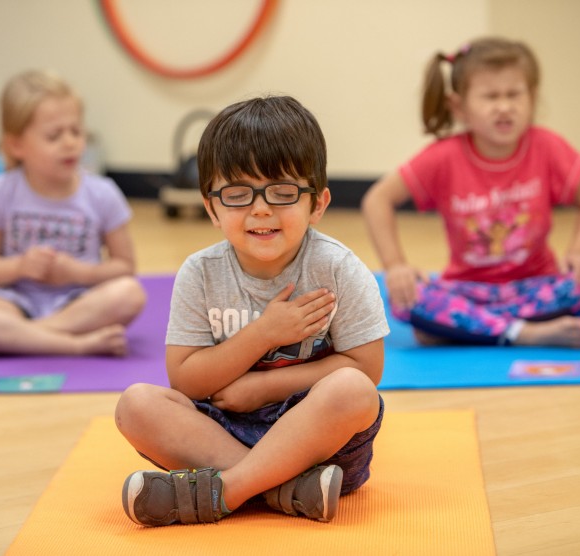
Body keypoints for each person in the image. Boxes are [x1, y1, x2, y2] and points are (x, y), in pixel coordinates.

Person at [115, 96, 389, 527]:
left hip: (320, 443)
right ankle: (286, 491)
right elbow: (185, 378)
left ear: (316, 204)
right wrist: (263, 334)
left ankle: (229, 489)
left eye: (282, 192)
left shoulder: (337, 267)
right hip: (223, 432)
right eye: (238, 194)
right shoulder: (200, 273)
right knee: (135, 405)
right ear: (211, 207)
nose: (261, 208)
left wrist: (264, 388)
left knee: (354, 391)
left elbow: (367, 367)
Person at [362, 37, 580, 349]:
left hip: (536, 286)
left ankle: (464, 327)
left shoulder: (548, 146)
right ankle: (524, 333)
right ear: (459, 106)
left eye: (514, 94)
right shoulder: (444, 157)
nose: (504, 106)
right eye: (490, 96)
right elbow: (377, 200)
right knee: (409, 299)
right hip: (466, 290)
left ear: (531, 97)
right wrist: (396, 265)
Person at [0, 70, 146, 357]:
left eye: (76, 131)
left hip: (78, 301)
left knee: (130, 293)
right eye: (54, 135)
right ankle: (73, 345)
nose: (70, 142)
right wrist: (20, 266)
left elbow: (125, 267)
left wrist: (78, 272)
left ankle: (15, 340)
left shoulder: (103, 193)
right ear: (16, 145)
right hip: (13, 302)